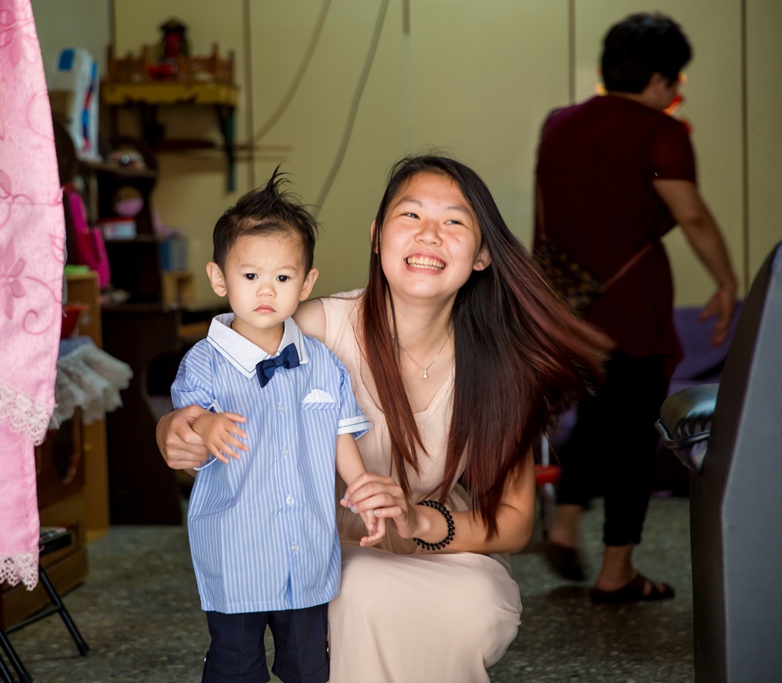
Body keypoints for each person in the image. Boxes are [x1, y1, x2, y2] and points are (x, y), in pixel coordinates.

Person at [159, 154, 608, 682]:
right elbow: (214, 394)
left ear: (483, 254)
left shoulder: (501, 366)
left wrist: (418, 521)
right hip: (321, 546)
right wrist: (175, 432)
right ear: (377, 237)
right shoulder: (310, 330)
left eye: (455, 221)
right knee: (360, 593)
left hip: (446, 547)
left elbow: (512, 523)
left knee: (475, 608)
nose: (430, 234)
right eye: (411, 215)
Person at [534, 12, 738, 603]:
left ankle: (567, 519)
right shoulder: (659, 131)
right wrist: (725, 280)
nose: (676, 92)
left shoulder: (559, 125)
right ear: (657, 79)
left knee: (594, 415)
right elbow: (691, 213)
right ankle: (617, 569)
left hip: (571, 303)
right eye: (676, 79)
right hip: (633, 302)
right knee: (632, 436)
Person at [170, 171, 385, 683]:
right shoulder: (204, 363)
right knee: (236, 665)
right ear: (220, 279)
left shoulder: (322, 363)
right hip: (236, 549)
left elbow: (338, 433)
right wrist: (206, 425)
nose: (266, 290)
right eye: (250, 277)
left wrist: (361, 488)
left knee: (309, 667)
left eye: (283, 278)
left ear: (307, 282)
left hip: (306, 548)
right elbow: (185, 422)